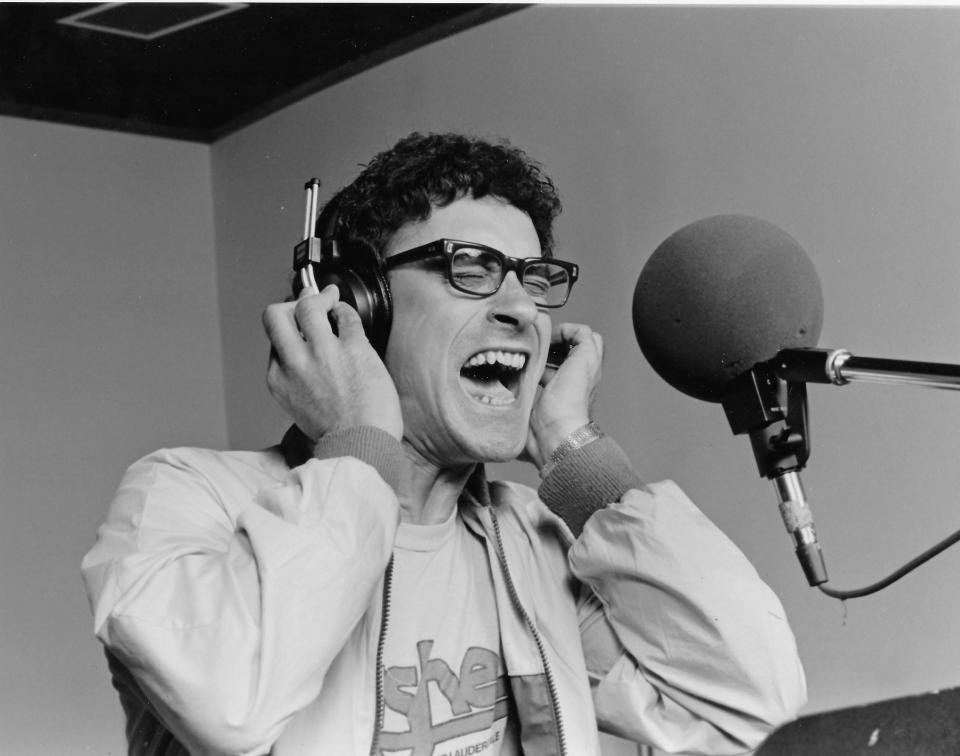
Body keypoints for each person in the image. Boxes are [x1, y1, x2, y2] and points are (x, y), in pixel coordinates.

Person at [82, 132, 807, 756]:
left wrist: (576, 458)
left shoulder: (532, 541)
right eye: (472, 267)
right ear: (360, 305)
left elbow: (752, 711)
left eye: (533, 279)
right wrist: (358, 442)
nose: (522, 309)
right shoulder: (185, 496)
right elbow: (229, 698)